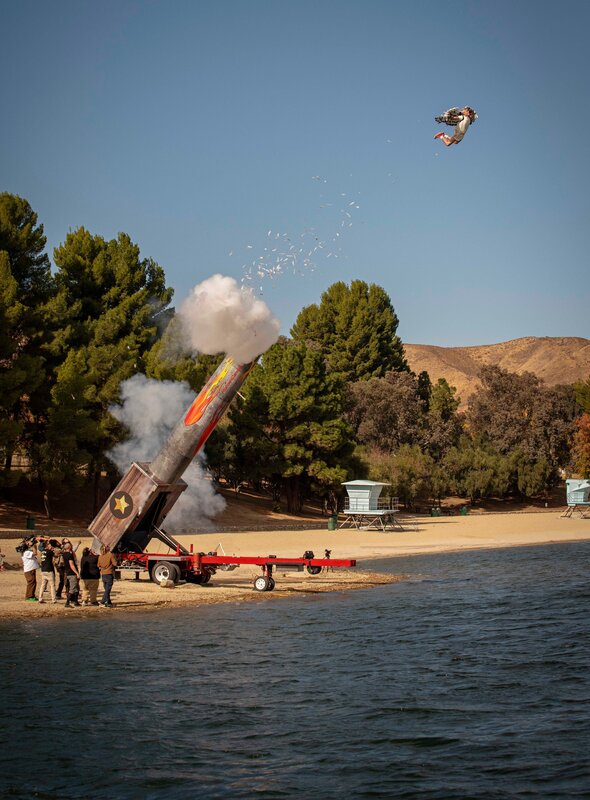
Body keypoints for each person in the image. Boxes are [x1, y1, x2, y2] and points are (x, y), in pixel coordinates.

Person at [62, 542, 81, 608]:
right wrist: (77, 573)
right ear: (69, 547)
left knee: (76, 588)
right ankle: (67, 603)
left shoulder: (64, 554)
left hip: (67, 572)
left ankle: (76, 601)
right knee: (72, 588)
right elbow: (72, 565)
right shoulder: (69, 555)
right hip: (72, 573)